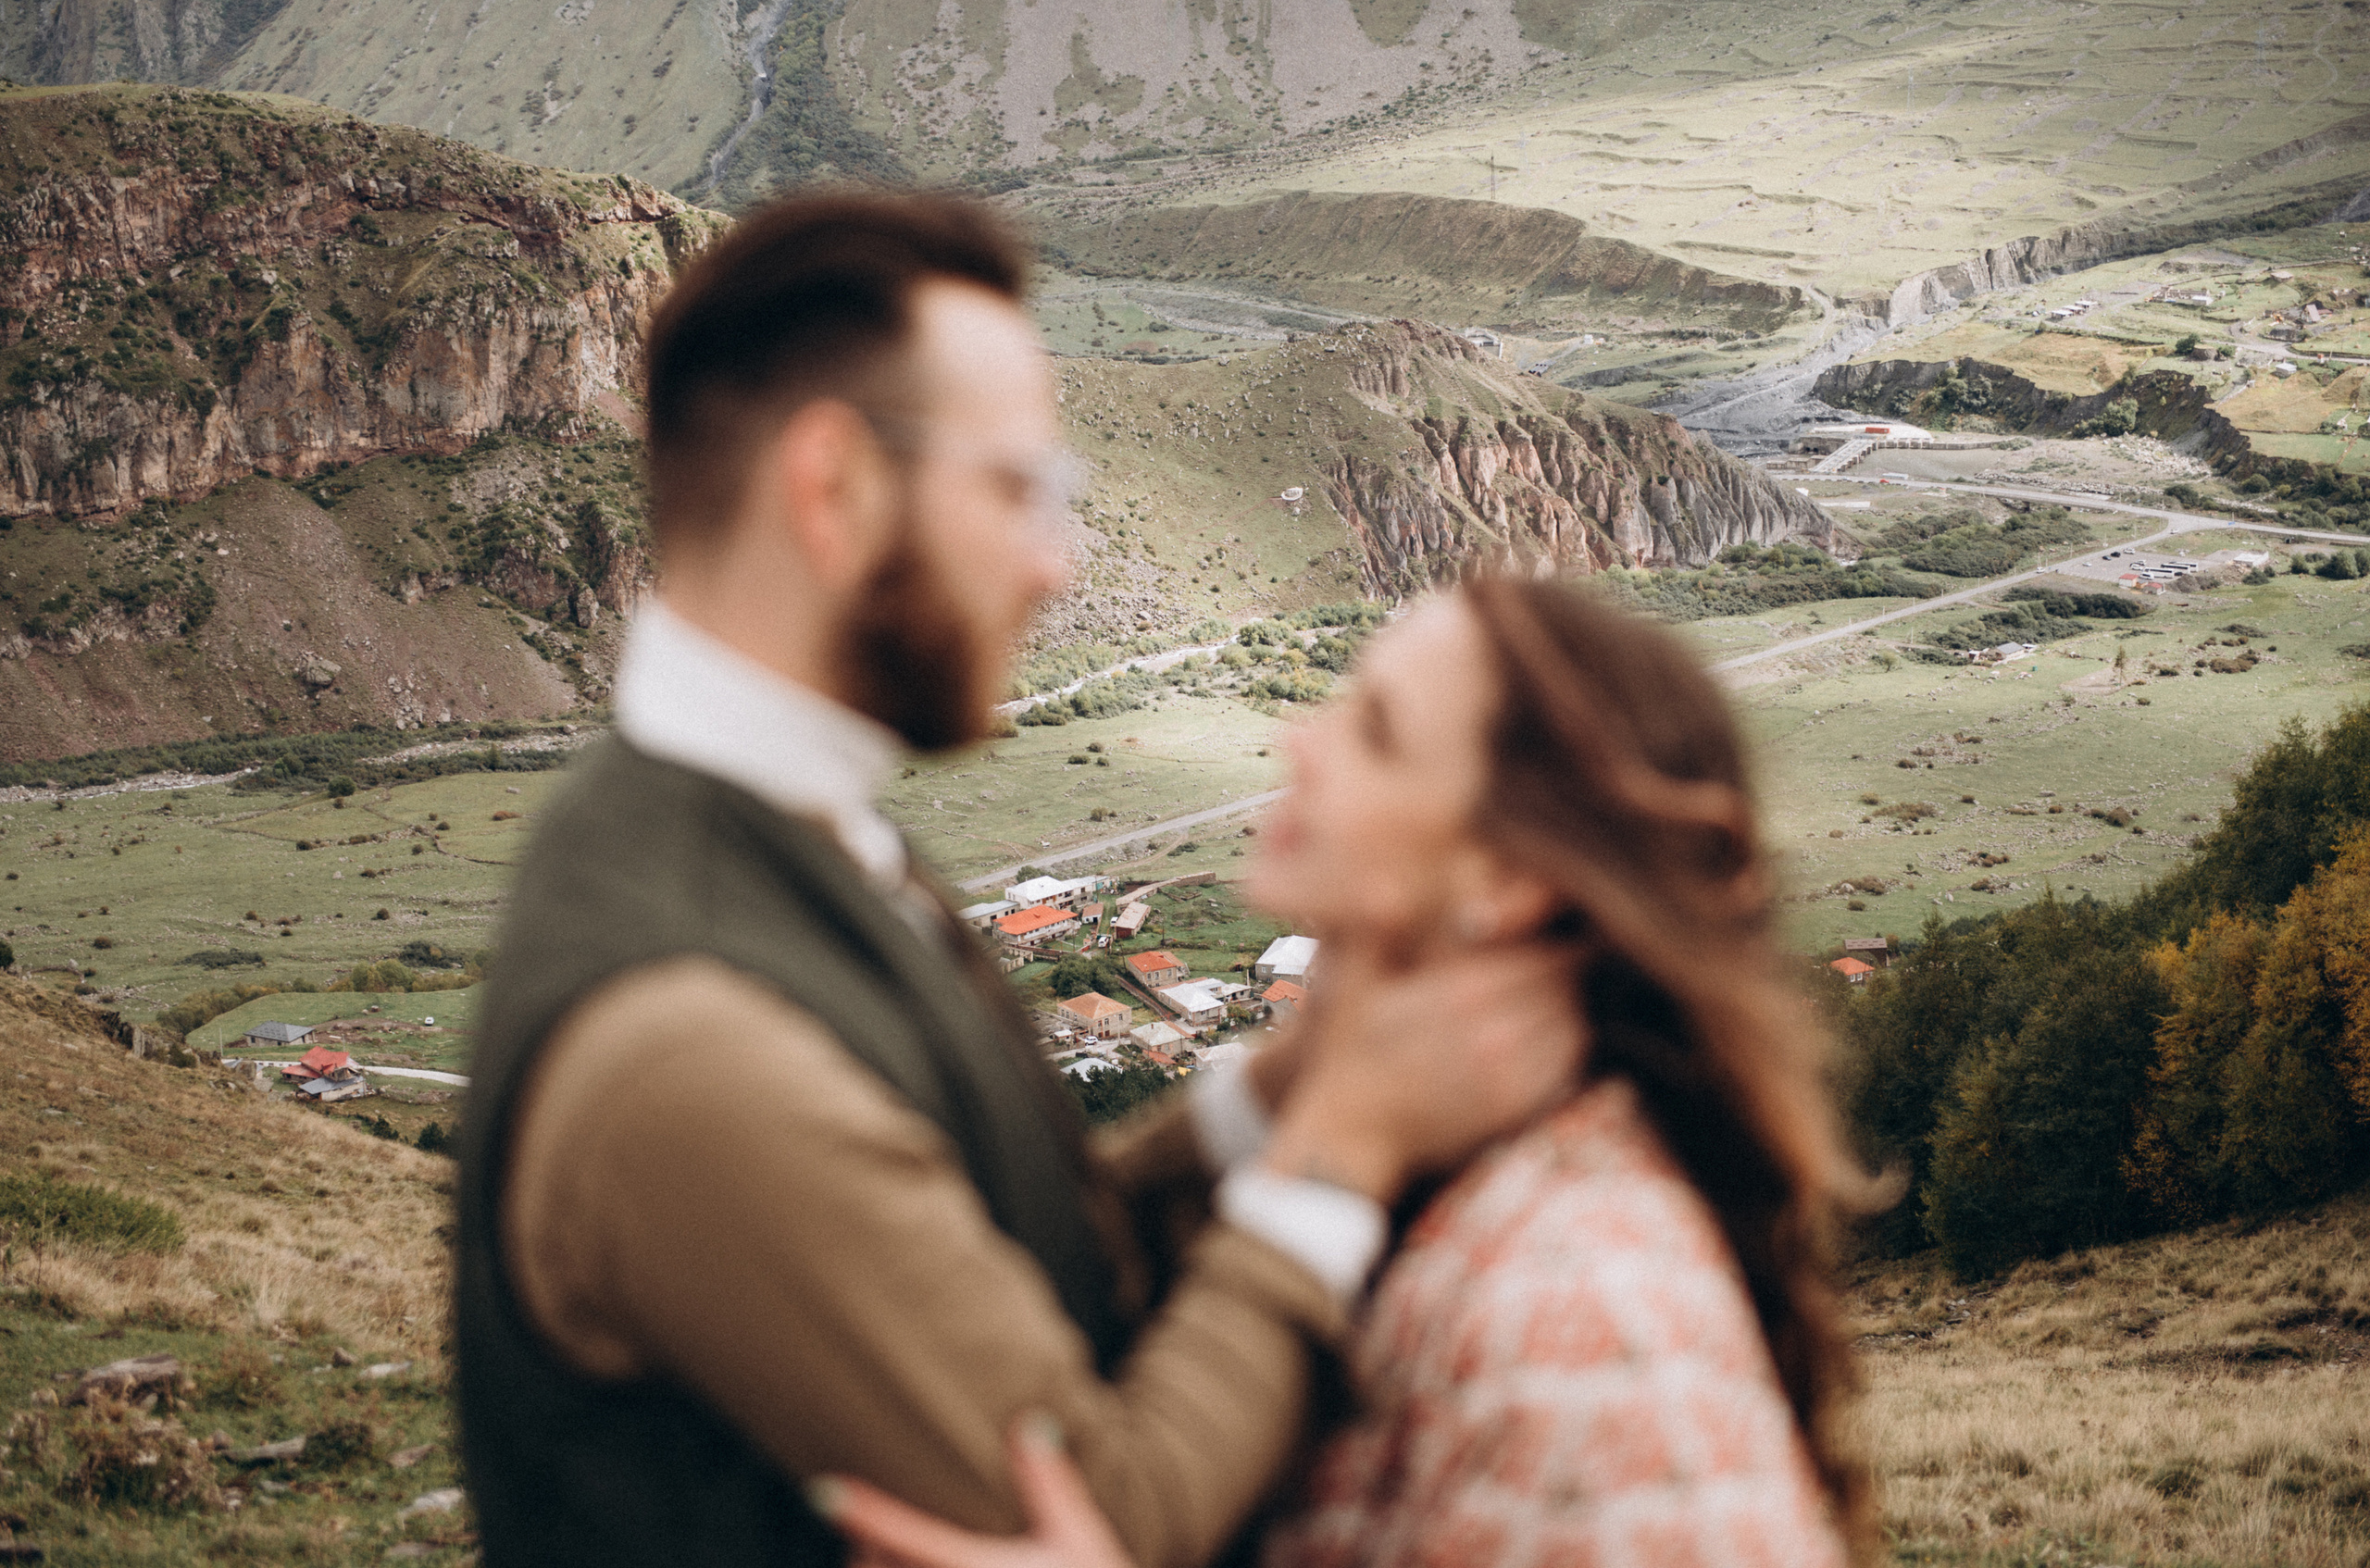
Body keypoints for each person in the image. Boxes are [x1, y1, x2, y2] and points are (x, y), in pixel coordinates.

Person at [452, 193, 1590, 1568]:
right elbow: (1105, 1509)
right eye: (1015, 488)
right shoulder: (685, 1048)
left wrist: (1260, 1104)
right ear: (836, 491)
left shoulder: (772, 828)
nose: (1054, 567)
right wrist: (1342, 1148)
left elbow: (989, 1255)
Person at [811, 578, 1880, 1568]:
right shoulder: (1452, 1164)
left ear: (1505, 874)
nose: (1300, 741)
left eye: (1372, 730)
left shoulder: (1585, 1313)